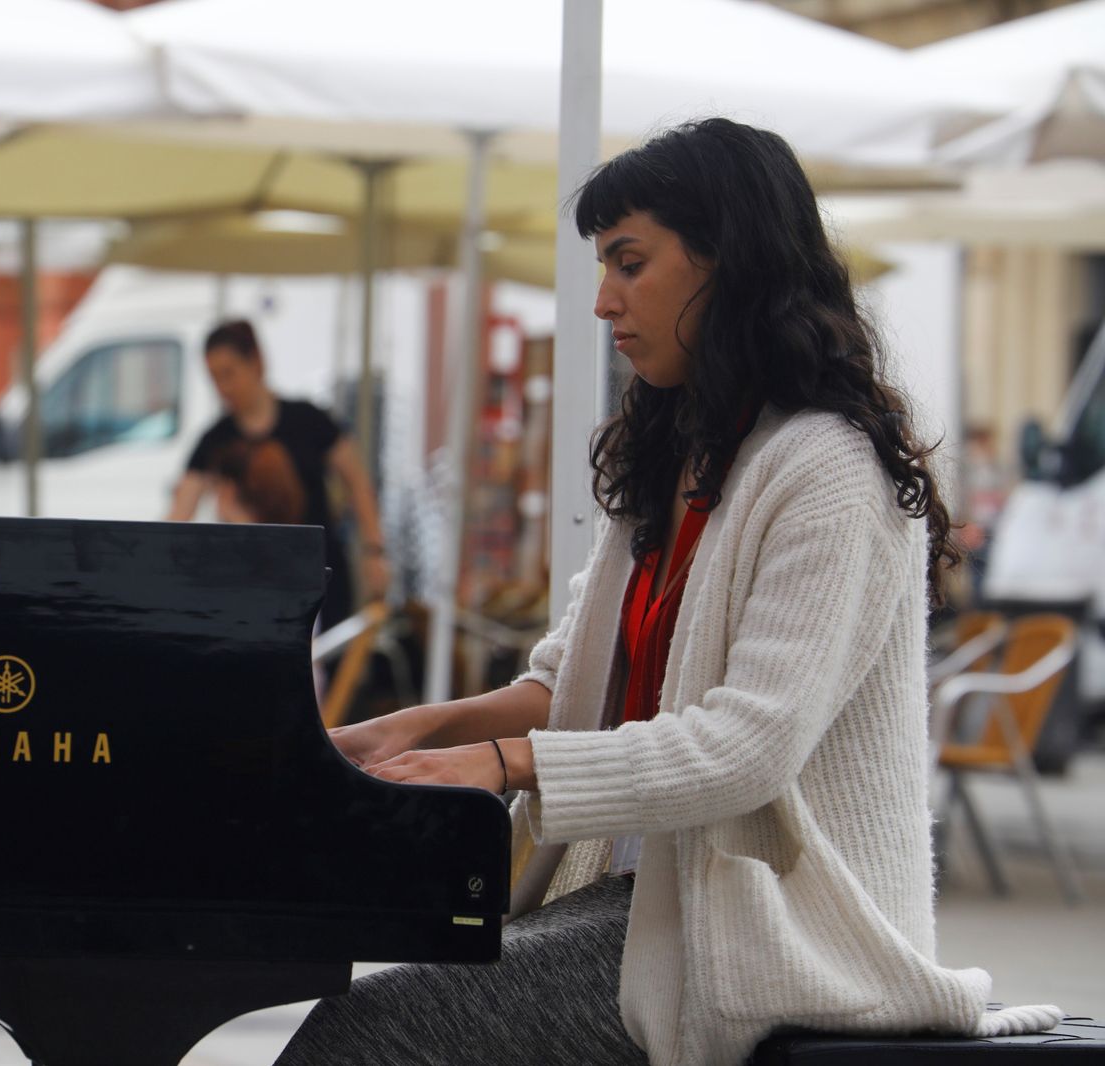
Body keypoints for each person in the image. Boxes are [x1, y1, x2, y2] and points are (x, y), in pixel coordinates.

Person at [275, 118, 1059, 1066]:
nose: (603, 302)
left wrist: (502, 763)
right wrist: (422, 727)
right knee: (371, 1005)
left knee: (374, 1033)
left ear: (727, 260)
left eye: (629, 263)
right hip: (643, 910)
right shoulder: (680, 454)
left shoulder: (829, 471)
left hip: (776, 936)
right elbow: (570, 687)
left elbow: (749, 746)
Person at [167, 319, 387, 631]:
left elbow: (358, 482)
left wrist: (374, 550)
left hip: (321, 580)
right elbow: (177, 516)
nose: (223, 387)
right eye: (214, 378)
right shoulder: (215, 440)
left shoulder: (309, 419)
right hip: (255, 588)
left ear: (256, 361)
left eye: (229, 373)